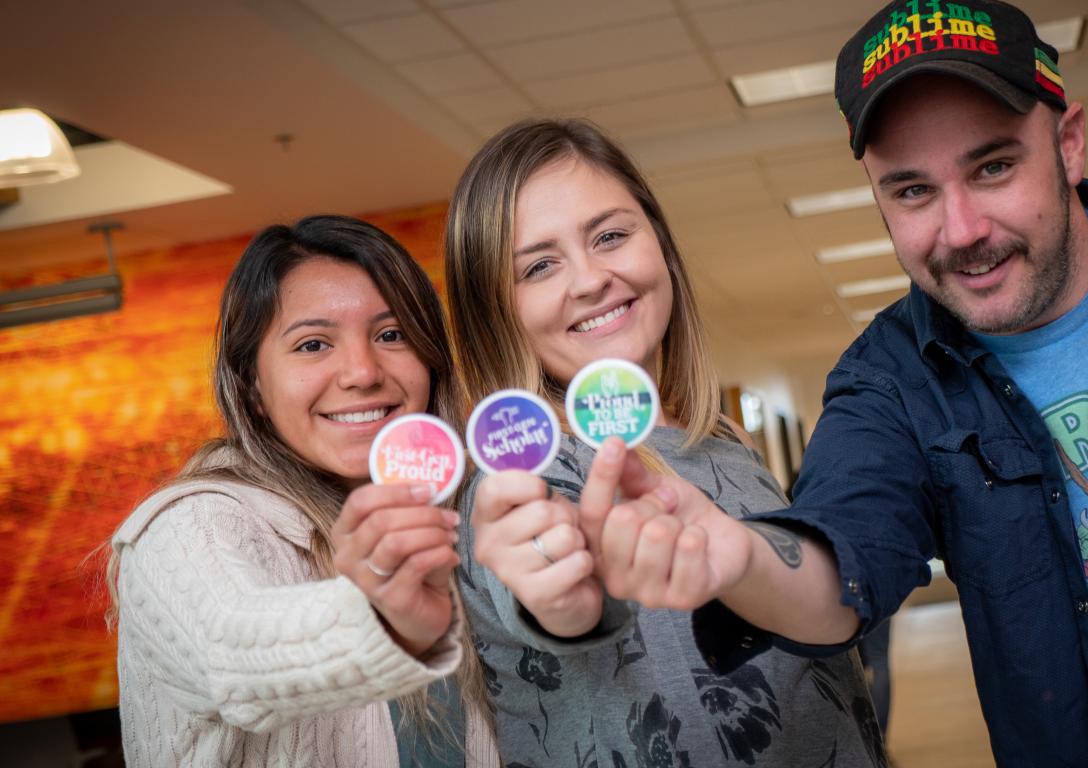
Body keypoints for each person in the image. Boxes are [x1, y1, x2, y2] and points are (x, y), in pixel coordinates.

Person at [581, 1, 1088, 765]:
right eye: (912, 191)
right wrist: (737, 555)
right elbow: (843, 559)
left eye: (993, 167)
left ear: (1068, 144)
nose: (962, 230)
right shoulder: (889, 382)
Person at [432, 117, 887, 766]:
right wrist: (563, 599)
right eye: (538, 266)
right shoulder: (523, 475)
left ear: (662, 246)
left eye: (611, 235)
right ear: (496, 311)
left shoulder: (721, 439)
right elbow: (540, 585)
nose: (590, 279)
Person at [107, 216, 475, 767]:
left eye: (391, 334)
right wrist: (380, 618)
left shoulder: (466, 509)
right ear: (252, 387)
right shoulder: (190, 526)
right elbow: (232, 650)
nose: (361, 372)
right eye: (313, 344)